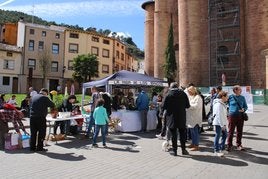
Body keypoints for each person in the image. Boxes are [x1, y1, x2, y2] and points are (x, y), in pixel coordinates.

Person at [163, 82, 190, 156]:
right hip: (181, 117)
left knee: (173, 135)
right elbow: (188, 106)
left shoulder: (168, 94)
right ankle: (183, 150)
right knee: (182, 134)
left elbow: (164, 106)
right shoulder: (183, 94)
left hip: (172, 117)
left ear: (171, 87)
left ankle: (175, 151)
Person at [227, 85, 248, 151]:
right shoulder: (230, 97)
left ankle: (239, 145)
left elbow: (246, 106)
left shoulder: (242, 97)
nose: (241, 90)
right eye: (239, 89)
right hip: (232, 116)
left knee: (239, 131)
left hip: (240, 116)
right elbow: (225, 104)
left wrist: (243, 109)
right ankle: (229, 145)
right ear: (235, 90)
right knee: (231, 131)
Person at [186, 86, 203, 151]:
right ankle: (193, 143)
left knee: (195, 132)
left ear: (192, 91)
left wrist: (188, 106)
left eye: (189, 91)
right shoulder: (191, 97)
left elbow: (196, 106)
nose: (188, 93)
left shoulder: (198, 98)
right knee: (192, 132)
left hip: (195, 118)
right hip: (191, 118)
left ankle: (196, 145)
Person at [212, 91, 228, 157]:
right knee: (218, 136)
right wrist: (222, 125)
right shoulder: (219, 104)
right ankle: (216, 150)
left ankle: (222, 148)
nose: (227, 97)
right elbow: (219, 115)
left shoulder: (221, 103)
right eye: (226, 96)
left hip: (222, 123)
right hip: (219, 123)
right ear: (223, 96)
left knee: (224, 135)